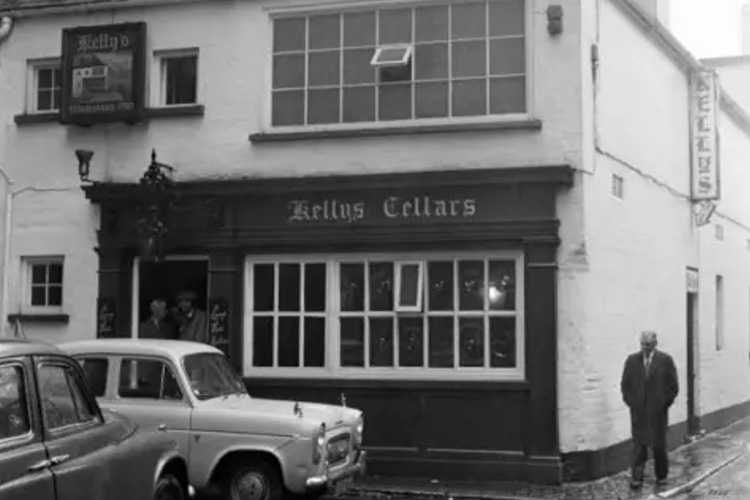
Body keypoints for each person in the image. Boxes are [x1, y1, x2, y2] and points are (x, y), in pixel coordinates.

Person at [620, 330, 679, 489]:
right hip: (639, 412)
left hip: (658, 413)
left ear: (655, 343)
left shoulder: (665, 360)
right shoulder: (632, 360)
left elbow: (673, 386)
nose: (644, 347)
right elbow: (625, 385)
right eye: (642, 344)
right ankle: (637, 478)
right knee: (639, 446)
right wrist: (633, 403)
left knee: (659, 445)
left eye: (648, 344)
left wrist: (663, 404)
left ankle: (661, 476)